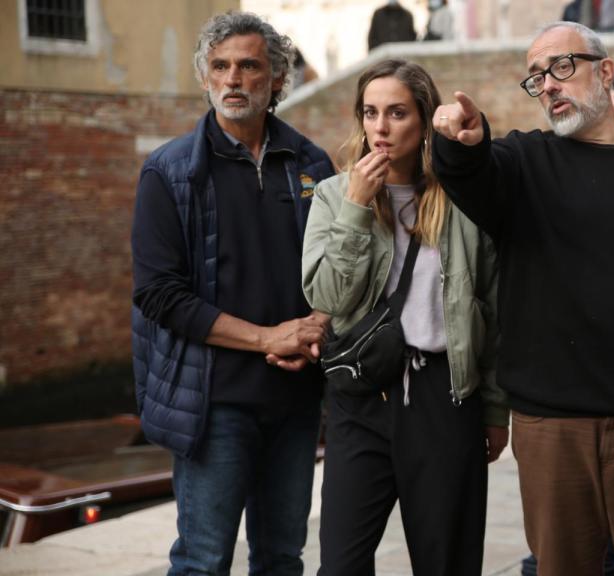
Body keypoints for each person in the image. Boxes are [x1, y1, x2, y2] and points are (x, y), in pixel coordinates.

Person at [432, 21, 614, 576]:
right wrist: (461, 142)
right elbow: (472, 172)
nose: (548, 84)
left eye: (560, 67)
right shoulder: (523, 161)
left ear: (604, 72)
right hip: (551, 424)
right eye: (536, 77)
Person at [130, 11, 335, 574]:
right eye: (220, 67)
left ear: (275, 79)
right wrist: (268, 336)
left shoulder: (313, 164)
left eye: (249, 66)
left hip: (295, 402)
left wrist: (314, 325)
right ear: (204, 77)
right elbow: (159, 295)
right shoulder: (169, 172)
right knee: (203, 560)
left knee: (281, 559)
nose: (233, 79)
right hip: (213, 404)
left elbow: (341, 270)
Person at [302, 59, 507, 576]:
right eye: (370, 113)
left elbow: (493, 305)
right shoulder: (332, 195)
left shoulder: (461, 202)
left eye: (396, 113)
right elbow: (326, 296)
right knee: (341, 565)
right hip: (360, 398)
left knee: (447, 562)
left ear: (423, 120)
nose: (380, 127)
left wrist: (495, 409)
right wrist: (355, 208)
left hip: (442, 396)